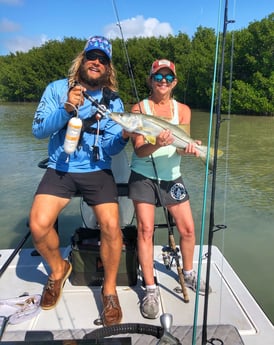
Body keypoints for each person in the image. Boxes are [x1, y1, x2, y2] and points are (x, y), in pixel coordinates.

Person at [29, 35, 129, 326]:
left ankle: (109, 290)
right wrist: (66, 108)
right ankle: (59, 269)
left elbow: (110, 148)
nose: (96, 63)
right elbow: (38, 131)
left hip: (97, 170)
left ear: (108, 68)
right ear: (82, 60)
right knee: (38, 224)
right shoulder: (57, 89)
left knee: (112, 225)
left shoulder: (113, 101)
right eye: (91, 57)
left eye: (103, 60)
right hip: (60, 167)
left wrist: (123, 137)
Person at [128, 59, 207, 319]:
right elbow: (139, 149)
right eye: (158, 77)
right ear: (150, 80)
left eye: (168, 77)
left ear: (175, 82)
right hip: (143, 176)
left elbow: (180, 147)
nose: (163, 82)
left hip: (172, 177)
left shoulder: (182, 110)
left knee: (188, 229)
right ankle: (150, 289)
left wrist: (191, 147)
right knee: (146, 230)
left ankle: (189, 272)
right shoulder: (139, 109)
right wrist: (158, 143)